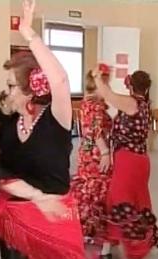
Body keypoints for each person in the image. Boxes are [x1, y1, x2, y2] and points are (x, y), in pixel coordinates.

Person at [0, 0, 111, 259]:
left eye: (12, 85)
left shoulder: (56, 118)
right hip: (16, 223)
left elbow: (61, 79)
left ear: (31, 87)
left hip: (53, 218)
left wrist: (30, 35)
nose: (6, 92)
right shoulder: (8, 125)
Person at [92, 66, 158, 259]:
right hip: (137, 159)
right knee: (132, 200)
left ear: (131, 86)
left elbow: (107, 94)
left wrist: (98, 77)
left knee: (117, 200)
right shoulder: (143, 104)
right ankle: (114, 245)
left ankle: (112, 248)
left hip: (129, 160)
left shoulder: (132, 103)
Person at [71, 69, 113, 245]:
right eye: (105, 83)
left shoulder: (87, 103)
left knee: (87, 189)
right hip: (96, 153)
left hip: (87, 151)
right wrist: (105, 152)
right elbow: (95, 131)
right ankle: (91, 230)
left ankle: (85, 230)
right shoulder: (95, 105)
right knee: (96, 190)